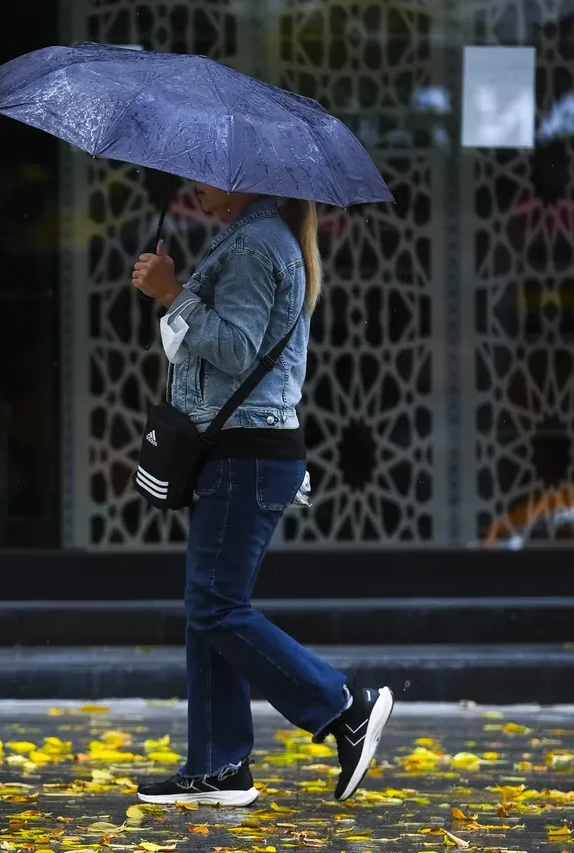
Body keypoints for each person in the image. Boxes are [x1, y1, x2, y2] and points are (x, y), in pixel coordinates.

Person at [129, 184, 393, 807]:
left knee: (216, 605)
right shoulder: (253, 239)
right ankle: (220, 766)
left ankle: (343, 705)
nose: (198, 185)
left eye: (210, 176)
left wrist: (171, 292)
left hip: (247, 456)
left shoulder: (256, 244)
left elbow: (233, 348)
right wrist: (175, 294)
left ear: (249, 178)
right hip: (236, 452)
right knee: (209, 611)